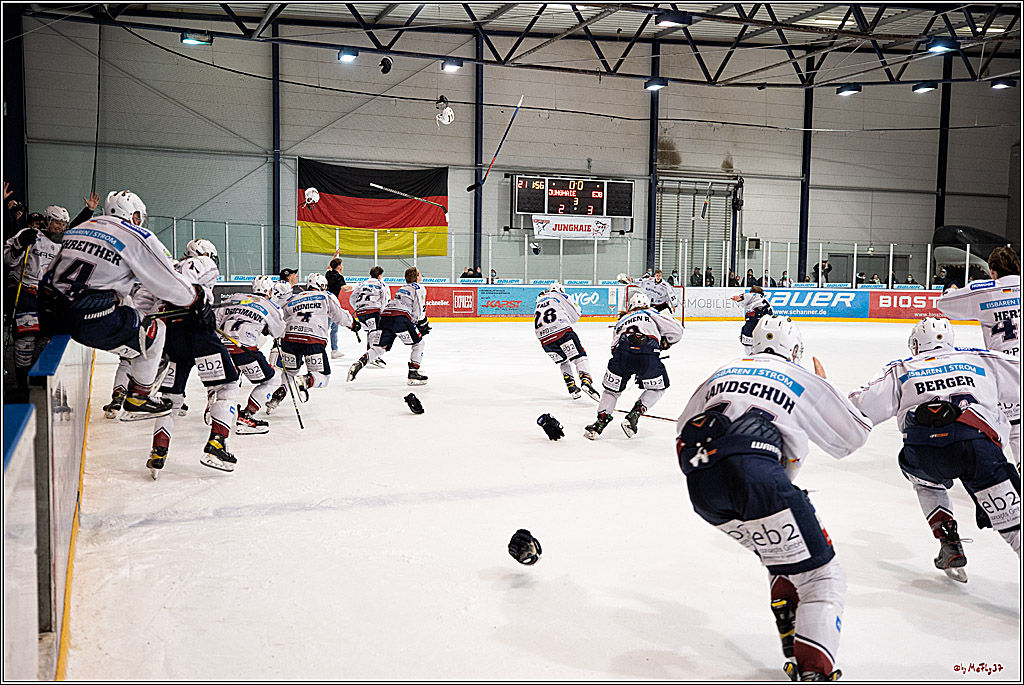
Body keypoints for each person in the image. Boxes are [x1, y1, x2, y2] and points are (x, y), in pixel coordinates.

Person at [676, 316, 870, 681]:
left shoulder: (723, 370)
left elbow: (682, 427)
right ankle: (814, 672)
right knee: (822, 579)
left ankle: (788, 612)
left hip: (702, 487)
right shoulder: (802, 377)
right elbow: (853, 437)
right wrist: (827, 388)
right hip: (757, 478)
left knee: (780, 552)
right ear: (794, 351)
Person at [848, 318, 1020, 581]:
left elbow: (861, 408)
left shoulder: (902, 367)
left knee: (926, 483)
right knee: (1014, 528)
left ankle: (947, 537)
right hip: (977, 448)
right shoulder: (981, 358)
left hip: (924, 452)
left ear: (915, 345)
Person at [39, 190, 199, 420]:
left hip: (49, 310)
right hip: (90, 317)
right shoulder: (135, 234)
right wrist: (195, 299)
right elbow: (168, 283)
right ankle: (139, 397)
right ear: (134, 215)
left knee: (128, 320)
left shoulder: (79, 229)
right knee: (153, 333)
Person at [132, 239, 244, 477]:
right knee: (227, 387)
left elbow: (142, 304)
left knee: (170, 399)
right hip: (198, 332)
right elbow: (193, 289)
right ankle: (217, 444)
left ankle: (158, 451)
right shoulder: (203, 263)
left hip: (171, 337)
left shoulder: (163, 266)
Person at [936, 246, 1021, 466]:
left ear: (992, 271)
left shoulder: (983, 290)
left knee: (1013, 427)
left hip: (1005, 369)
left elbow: (946, 305)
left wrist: (951, 288)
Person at [583, 289, 683, 440]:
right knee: (658, 388)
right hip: (648, 353)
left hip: (622, 353)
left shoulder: (621, 320)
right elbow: (677, 331)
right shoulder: (651, 313)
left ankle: (599, 424)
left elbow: (613, 347)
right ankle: (634, 415)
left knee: (611, 391)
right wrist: (665, 342)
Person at [4, 204, 70, 396]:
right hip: (25, 292)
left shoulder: (65, 244)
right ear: (48, 221)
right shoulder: (30, 234)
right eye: (57, 222)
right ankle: (22, 385)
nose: (60, 227)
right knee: (26, 339)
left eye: (63, 224)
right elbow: (8, 260)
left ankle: (34, 375)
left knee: (46, 340)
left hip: (48, 297)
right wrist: (19, 245)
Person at [216, 275, 285, 427]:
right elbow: (279, 332)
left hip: (222, 349)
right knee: (272, 381)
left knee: (229, 385)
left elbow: (214, 321)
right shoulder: (270, 306)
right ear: (269, 291)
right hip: (245, 350)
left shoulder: (235, 298)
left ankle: (214, 408)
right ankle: (247, 415)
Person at [279, 272, 359, 401]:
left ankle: (279, 393)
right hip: (313, 340)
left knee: (289, 372)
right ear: (322, 285)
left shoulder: (294, 298)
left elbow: (281, 316)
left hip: (290, 339)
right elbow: (338, 315)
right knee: (323, 377)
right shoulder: (325, 296)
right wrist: (352, 324)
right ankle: (306, 380)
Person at [347, 266, 429, 386]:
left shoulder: (403, 288)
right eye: (420, 274)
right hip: (400, 317)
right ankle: (413, 372)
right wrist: (421, 322)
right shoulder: (419, 288)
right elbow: (418, 309)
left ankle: (360, 362)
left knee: (381, 347)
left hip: (386, 315)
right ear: (416, 277)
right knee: (419, 343)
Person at [533, 282, 600, 401]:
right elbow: (576, 314)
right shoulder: (560, 295)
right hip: (562, 331)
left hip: (544, 339)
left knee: (563, 361)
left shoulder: (539, 301)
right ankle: (586, 380)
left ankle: (572, 387)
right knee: (579, 357)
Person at [349, 266, 390, 368]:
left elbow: (352, 298)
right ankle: (373, 357)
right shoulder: (382, 284)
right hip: (372, 312)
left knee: (370, 333)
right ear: (380, 275)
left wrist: (358, 308)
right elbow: (385, 300)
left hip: (360, 313)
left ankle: (370, 354)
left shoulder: (362, 283)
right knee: (375, 333)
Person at [731, 285, 774, 354]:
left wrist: (739, 298)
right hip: (765, 321)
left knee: (747, 340)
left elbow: (746, 296)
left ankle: (751, 354)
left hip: (755, 319)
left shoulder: (755, 295)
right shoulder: (766, 301)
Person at [325, 256, 352, 359]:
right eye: (341, 264)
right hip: (333, 304)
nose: (343, 266)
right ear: (339, 267)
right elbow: (344, 289)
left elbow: (328, 267)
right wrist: (355, 287)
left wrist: (334, 257)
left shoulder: (328, 274)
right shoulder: (339, 277)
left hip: (325, 302)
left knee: (329, 327)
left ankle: (333, 349)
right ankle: (333, 349)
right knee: (332, 328)